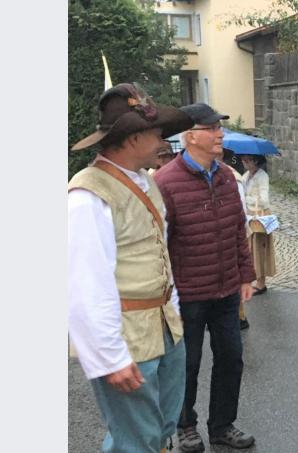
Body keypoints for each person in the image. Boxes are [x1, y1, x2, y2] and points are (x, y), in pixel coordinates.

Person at [68, 83, 192, 453]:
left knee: (160, 428)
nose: (162, 142)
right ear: (133, 137)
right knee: (134, 440)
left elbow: (159, 257)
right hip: (127, 337)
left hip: (164, 326)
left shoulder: (145, 182)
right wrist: (110, 358)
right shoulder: (88, 196)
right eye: (156, 133)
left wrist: (176, 312)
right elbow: (84, 286)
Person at [154, 102, 256, 452]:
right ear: (190, 135)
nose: (219, 134)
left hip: (226, 289)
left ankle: (222, 425)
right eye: (212, 128)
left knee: (231, 359)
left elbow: (237, 230)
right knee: (188, 364)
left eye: (219, 128)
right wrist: (168, 295)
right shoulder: (165, 182)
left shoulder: (227, 176)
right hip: (188, 295)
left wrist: (246, 275)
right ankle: (185, 426)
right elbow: (160, 247)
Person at [221, 149, 251, 330]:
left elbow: (241, 212)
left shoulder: (233, 177)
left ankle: (240, 316)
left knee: (234, 277)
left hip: (232, 237)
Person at [241, 154, 276, 295]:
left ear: (255, 160)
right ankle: (254, 279)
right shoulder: (246, 175)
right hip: (250, 216)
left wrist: (246, 198)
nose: (245, 162)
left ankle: (261, 284)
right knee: (249, 250)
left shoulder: (262, 176)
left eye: (248, 160)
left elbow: (264, 200)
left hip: (260, 216)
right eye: (243, 160)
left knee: (259, 250)